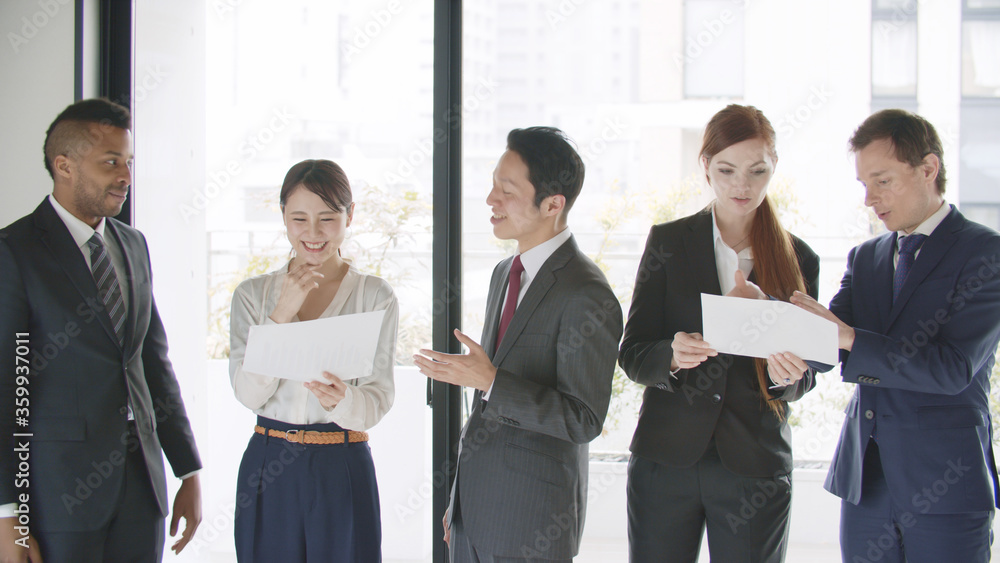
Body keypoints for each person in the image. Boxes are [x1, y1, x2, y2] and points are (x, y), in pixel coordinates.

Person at [791, 109, 1000, 563]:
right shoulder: (865, 257)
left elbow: (952, 369)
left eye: (882, 181)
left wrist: (849, 339)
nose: (870, 199)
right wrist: (776, 328)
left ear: (928, 169)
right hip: (865, 484)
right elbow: (828, 344)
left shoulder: (985, 252)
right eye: (864, 184)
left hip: (946, 485)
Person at [0, 98, 203, 562]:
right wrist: (9, 515)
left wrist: (187, 469)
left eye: (129, 162)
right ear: (64, 166)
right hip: (59, 496)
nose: (126, 176)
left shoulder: (133, 244)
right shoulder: (15, 251)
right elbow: (8, 390)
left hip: (142, 488)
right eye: (111, 162)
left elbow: (152, 362)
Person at [618, 104, 820, 563]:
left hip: (754, 467)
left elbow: (805, 376)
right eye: (726, 170)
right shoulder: (668, 242)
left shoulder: (799, 258)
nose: (741, 185)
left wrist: (784, 374)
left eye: (756, 170)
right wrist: (671, 355)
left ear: (774, 166)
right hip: (666, 460)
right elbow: (632, 353)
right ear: (706, 165)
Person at [414, 126, 622, 562]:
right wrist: (459, 502)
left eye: (506, 191)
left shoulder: (587, 293)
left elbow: (583, 419)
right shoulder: (504, 273)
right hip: (474, 513)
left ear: (552, 205)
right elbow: (486, 408)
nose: (491, 199)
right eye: (493, 185)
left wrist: (491, 381)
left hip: (532, 523)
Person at [228, 159, 398, 562]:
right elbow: (248, 394)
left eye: (327, 218)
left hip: (342, 461)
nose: (313, 233)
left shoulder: (375, 296)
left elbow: (378, 399)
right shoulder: (252, 295)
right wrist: (281, 314)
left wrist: (343, 400)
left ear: (349, 216)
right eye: (299, 219)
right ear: (283, 216)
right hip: (269, 461)